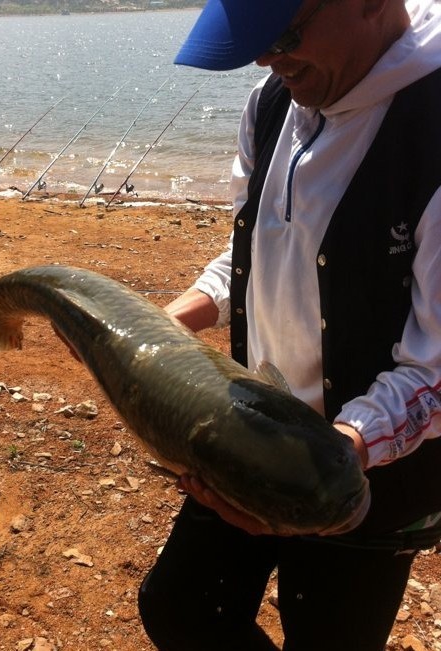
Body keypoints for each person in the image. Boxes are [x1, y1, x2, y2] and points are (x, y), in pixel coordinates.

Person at [137, 0, 441, 649]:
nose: (264, 58)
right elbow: (252, 251)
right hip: (254, 431)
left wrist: (335, 457)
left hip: (363, 477)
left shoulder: (430, 127)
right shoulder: (273, 102)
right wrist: (166, 322)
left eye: (283, 33)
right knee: (179, 608)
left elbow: (434, 371)